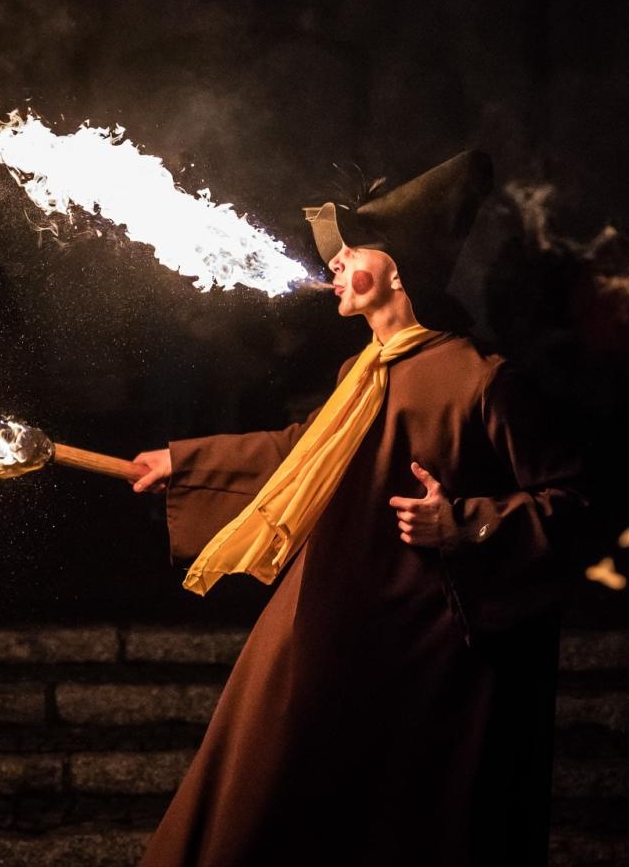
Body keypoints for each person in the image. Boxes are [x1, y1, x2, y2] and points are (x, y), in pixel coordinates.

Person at [129, 150, 588, 867]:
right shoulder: (359, 369)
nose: (334, 267)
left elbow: (573, 503)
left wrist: (463, 522)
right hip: (327, 627)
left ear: (397, 268)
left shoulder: (480, 380)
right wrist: (182, 461)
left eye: (349, 253)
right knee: (250, 807)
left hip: (420, 660)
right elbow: (299, 450)